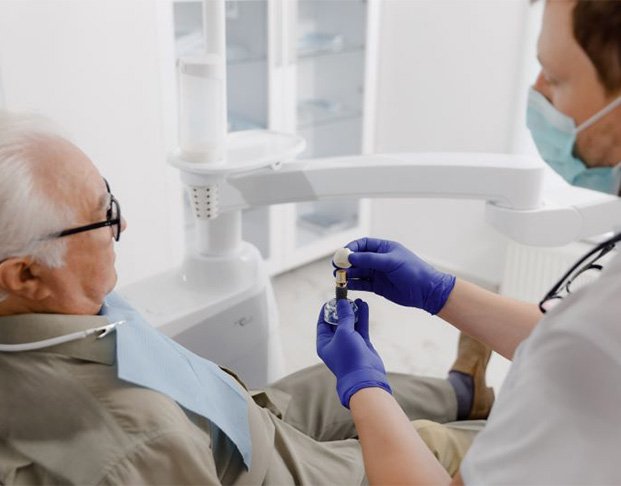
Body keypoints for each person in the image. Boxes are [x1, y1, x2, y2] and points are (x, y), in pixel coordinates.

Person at [0, 111, 492, 484]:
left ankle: (463, 394)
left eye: (111, 197)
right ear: (25, 275)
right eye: (103, 214)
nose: (122, 224)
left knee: (326, 385)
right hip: (256, 469)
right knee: (432, 444)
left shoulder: (59, 304)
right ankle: (481, 432)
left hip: (234, 413)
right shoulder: (138, 443)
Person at [316, 0, 621, 484]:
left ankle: (461, 394)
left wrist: (363, 386)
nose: (537, 93)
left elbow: (584, 348)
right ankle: (464, 392)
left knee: (381, 440)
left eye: (555, 78)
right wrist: (439, 291)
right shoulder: (593, 334)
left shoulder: (594, 339)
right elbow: (573, 345)